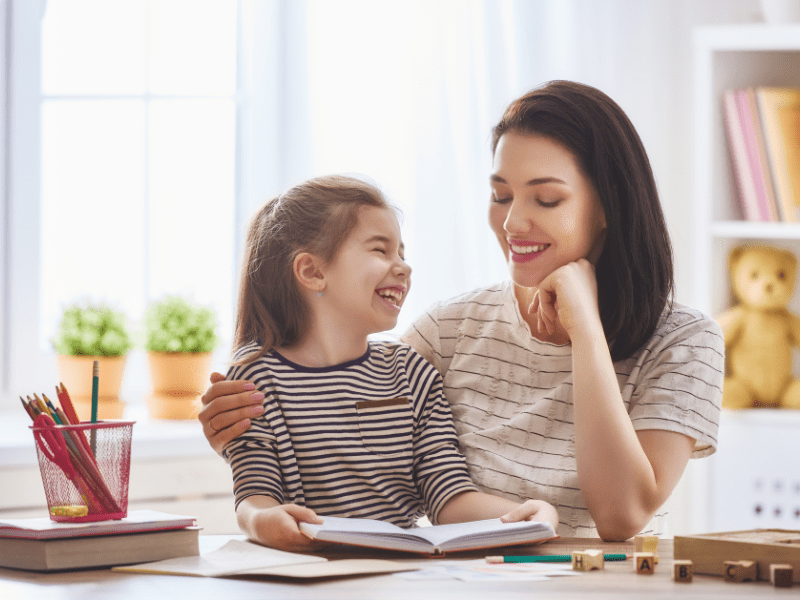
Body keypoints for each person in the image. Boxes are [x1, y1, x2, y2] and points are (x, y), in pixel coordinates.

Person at [199, 81, 724, 542]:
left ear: (608, 205)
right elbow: (337, 417)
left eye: (546, 200)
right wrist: (238, 432)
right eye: (500, 196)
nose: (513, 223)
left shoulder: (684, 342)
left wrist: (584, 326)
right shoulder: (447, 333)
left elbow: (621, 514)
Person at [219, 174, 558, 552]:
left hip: (402, 572)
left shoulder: (411, 372)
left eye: (402, 253)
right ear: (313, 272)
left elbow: (447, 496)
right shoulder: (257, 380)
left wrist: (521, 515)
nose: (402, 267)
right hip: (307, 571)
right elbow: (254, 495)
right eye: (381, 251)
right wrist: (264, 522)